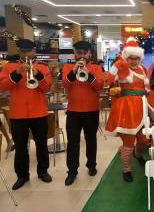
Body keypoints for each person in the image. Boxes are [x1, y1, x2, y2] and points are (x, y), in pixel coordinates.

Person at [105, 37, 154, 182]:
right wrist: (117, 64)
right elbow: (108, 80)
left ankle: (138, 154)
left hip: (142, 109)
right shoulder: (122, 68)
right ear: (126, 57)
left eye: (136, 58)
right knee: (128, 142)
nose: (133, 61)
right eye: (130, 58)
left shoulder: (142, 69)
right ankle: (126, 170)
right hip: (127, 110)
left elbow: (146, 88)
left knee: (143, 141)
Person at [0, 39, 52, 190]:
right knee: (21, 147)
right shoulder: (9, 67)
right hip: (18, 114)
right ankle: (22, 175)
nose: (25, 54)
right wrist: (17, 72)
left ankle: (43, 171)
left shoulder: (42, 67)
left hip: (39, 112)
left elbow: (47, 88)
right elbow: (3, 86)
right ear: (19, 52)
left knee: (42, 145)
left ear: (34, 51)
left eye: (28, 51)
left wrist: (36, 74)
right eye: (22, 51)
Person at [62, 41, 104, 186]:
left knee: (91, 139)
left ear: (89, 54)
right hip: (73, 111)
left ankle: (91, 165)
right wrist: (74, 71)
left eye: (84, 53)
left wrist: (89, 73)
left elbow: (99, 86)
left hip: (91, 110)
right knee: (72, 143)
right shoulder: (68, 67)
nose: (81, 56)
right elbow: (65, 85)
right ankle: (72, 172)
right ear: (75, 53)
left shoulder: (96, 68)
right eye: (78, 53)